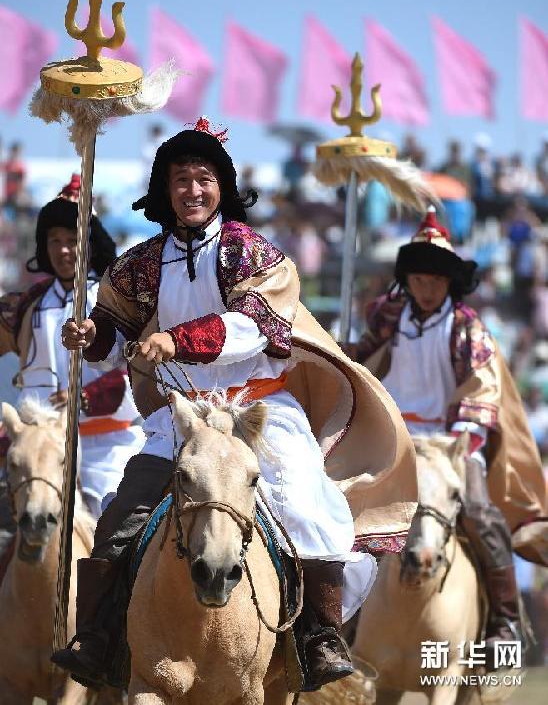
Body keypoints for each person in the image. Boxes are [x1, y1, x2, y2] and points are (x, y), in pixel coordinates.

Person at [52, 118, 417, 690]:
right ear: (163, 189)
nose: (192, 191)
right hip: (184, 421)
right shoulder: (142, 261)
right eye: (180, 180)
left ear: (222, 186)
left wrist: (176, 339)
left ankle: (318, 639)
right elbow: (111, 325)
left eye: (204, 179)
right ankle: (97, 638)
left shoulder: (251, 251)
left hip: (257, 415)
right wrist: (88, 336)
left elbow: (257, 326)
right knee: (120, 522)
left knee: (308, 512)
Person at [348, 206, 548, 670]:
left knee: (482, 515)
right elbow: (361, 356)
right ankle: (329, 623)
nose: (426, 284)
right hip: (396, 442)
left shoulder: (466, 327)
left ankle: (503, 622)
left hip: (452, 443)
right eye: (418, 275)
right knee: (345, 515)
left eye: (436, 276)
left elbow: (482, 387)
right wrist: (341, 353)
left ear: (450, 281)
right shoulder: (389, 315)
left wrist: (457, 445)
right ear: (408, 278)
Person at [0, 176, 145, 523]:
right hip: (39, 447)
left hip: (106, 447)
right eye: (55, 241)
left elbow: (136, 369)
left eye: (72, 240)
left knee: (113, 526)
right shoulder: (26, 304)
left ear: (90, 243)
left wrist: (83, 397)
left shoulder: (116, 299)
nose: (64, 250)